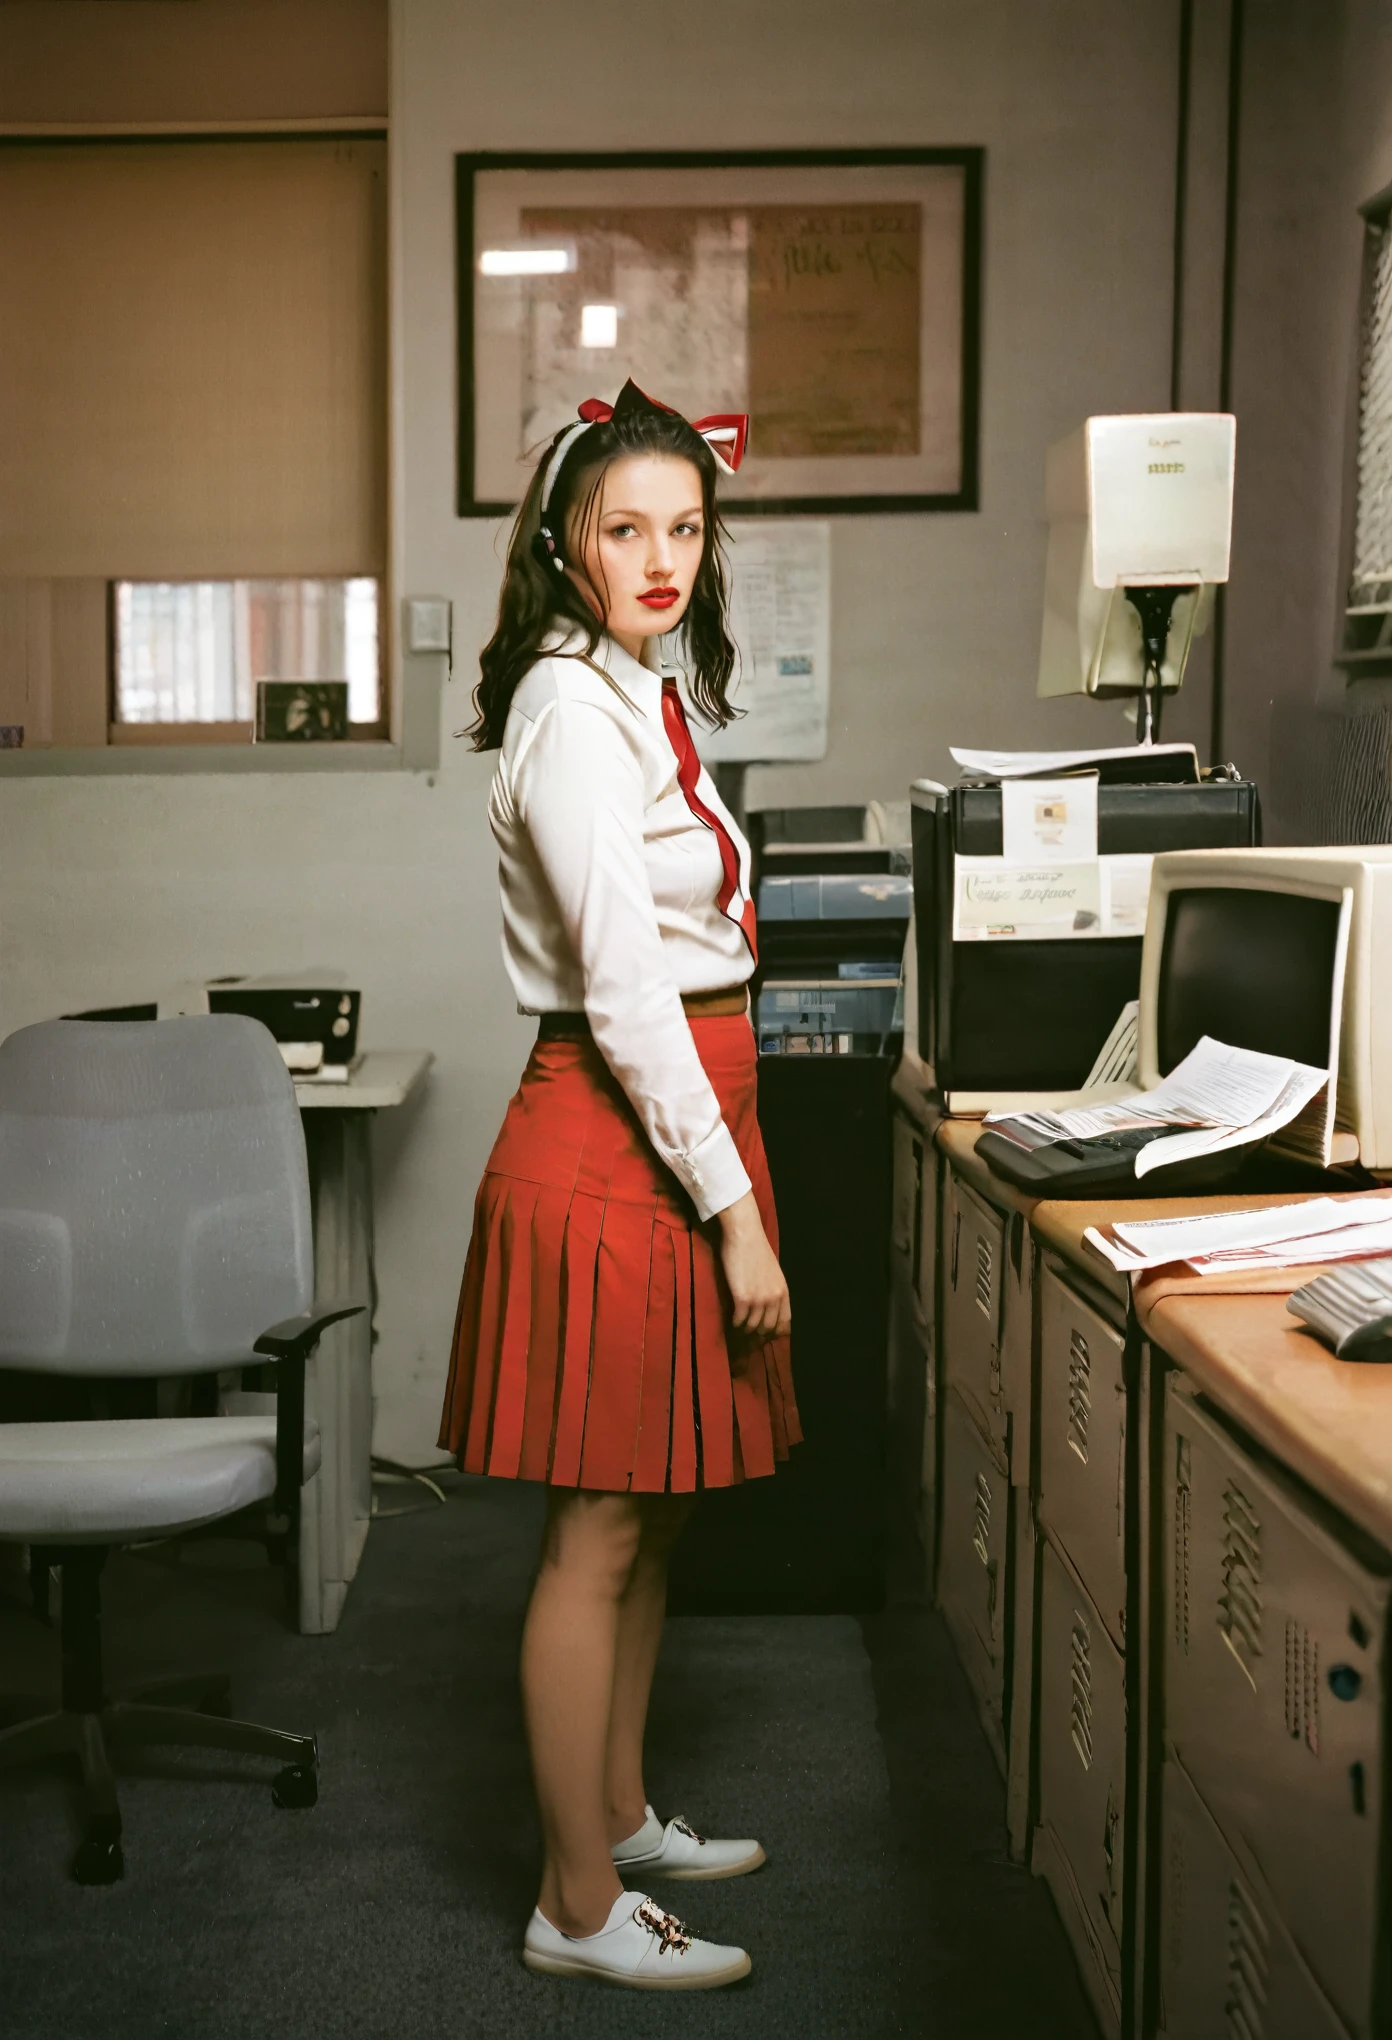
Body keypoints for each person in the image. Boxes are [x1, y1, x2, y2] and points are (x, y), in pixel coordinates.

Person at [439, 379, 800, 1991]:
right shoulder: (571, 712)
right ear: (566, 542)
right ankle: (576, 1906)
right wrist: (730, 1210)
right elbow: (629, 989)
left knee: (646, 1519)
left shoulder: (638, 690)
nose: (661, 555)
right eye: (624, 528)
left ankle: (623, 1809)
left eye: (685, 526)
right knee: (595, 1529)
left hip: (676, 1114)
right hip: (618, 1130)